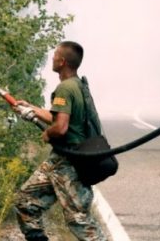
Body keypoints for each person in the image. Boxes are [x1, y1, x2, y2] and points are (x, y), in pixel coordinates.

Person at [13, 41, 107, 241]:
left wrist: (47, 134)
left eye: (55, 55)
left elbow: (61, 127)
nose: (52, 58)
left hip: (68, 163)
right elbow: (62, 118)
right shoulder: (77, 85)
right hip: (60, 161)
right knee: (25, 201)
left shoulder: (64, 88)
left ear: (62, 61)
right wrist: (32, 109)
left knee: (78, 220)